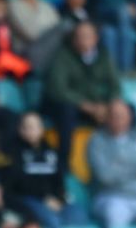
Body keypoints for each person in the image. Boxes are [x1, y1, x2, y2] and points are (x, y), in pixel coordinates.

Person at [41, 20, 123, 171]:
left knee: (127, 111)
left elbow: (115, 85)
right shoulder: (63, 55)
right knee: (66, 112)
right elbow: (58, 89)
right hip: (68, 105)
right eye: (79, 36)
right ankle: (63, 166)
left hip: (96, 106)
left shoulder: (103, 55)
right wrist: (86, 106)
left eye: (87, 36)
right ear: (74, 39)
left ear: (95, 38)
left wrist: (109, 105)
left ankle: (125, 157)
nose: (83, 40)